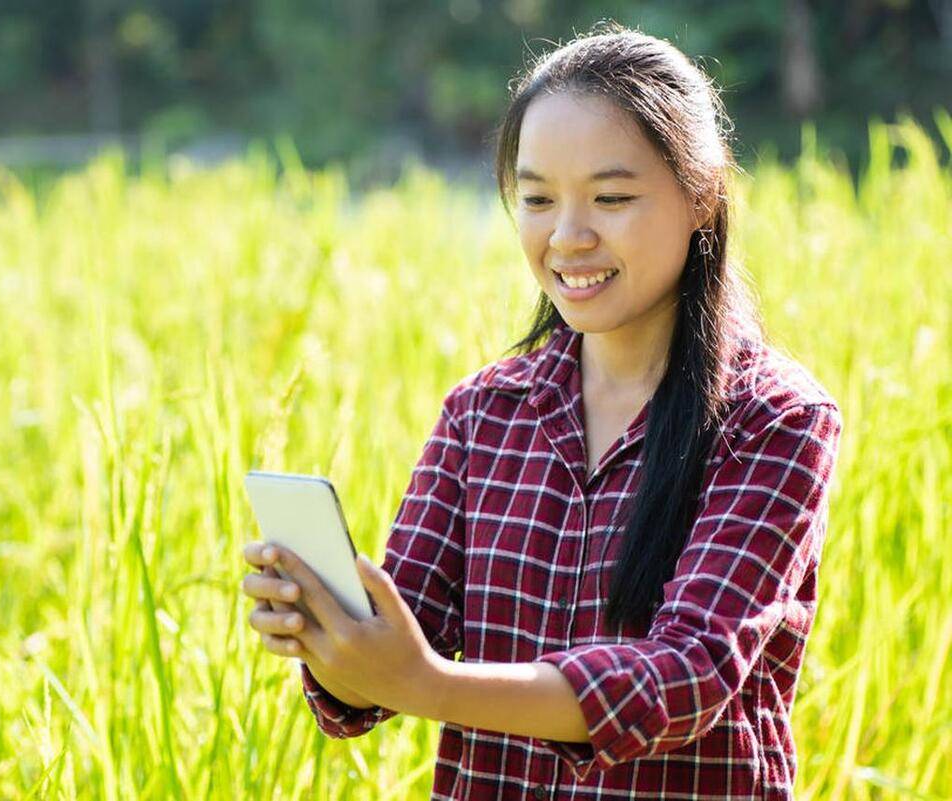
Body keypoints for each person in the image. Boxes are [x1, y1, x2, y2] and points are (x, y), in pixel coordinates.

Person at [240, 21, 842, 801]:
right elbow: (390, 660)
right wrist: (327, 634)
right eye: (536, 199)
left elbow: (688, 676)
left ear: (701, 197)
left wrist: (430, 683)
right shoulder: (480, 415)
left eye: (612, 197)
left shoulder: (776, 419)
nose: (568, 236)